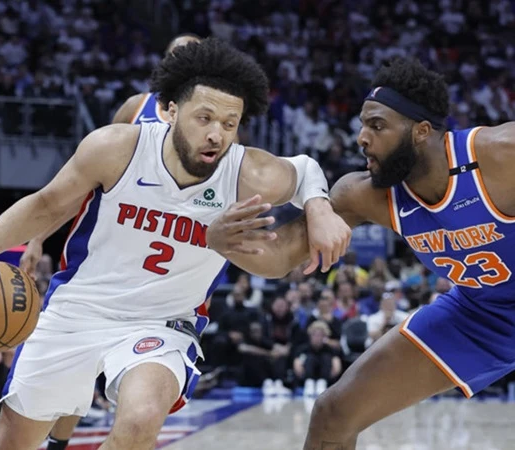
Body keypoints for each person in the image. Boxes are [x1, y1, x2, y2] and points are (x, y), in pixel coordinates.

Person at [0, 37, 350, 450]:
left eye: (230, 124)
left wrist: (319, 207)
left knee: (141, 419)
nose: (216, 134)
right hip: (79, 307)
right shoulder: (116, 148)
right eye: (204, 118)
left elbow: (304, 170)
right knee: (9, 443)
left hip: (164, 322)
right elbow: (45, 204)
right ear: (170, 110)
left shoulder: (246, 172)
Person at [205, 56, 515, 450]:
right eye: (362, 125)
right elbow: (279, 257)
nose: (362, 138)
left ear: (421, 131)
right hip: (478, 314)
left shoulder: (500, 154)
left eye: (377, 126)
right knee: (334, 414)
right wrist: (221, 238)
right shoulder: (365, 195)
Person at [20, 33, 202, 450]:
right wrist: (37, 237)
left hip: (161, 272)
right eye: (178, 57)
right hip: (106, 254)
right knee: (76, 364)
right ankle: (57, 444)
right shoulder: (135, 109)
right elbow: (80, 181)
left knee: (140, 403)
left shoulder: (216, 132)